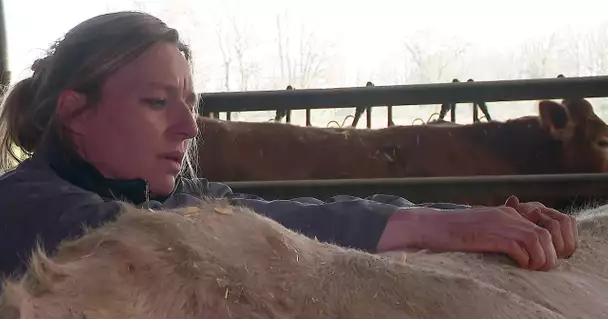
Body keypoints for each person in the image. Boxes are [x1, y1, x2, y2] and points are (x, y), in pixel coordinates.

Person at [0, 11, 578, 278]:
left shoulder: (153, 199)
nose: (189, 127)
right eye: (157, 103)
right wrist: (447, 225)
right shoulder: (28, 209)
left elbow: (286, 213)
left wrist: (469, 219)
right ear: (77, 113)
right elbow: (227, 227)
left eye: (191, 105)